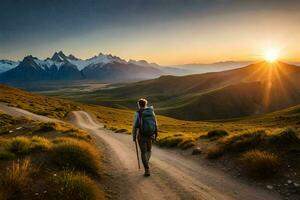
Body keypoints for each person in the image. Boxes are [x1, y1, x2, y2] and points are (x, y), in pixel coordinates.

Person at [132, 98, 158, 177]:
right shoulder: (151, 112)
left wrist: (134, 136)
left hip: (141, 136)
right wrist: (156, 134)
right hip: (150, 135)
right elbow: (155, 124)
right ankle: (146, 161)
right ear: (146, 104)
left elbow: (135, 126)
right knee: (149, 151)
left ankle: (147, 169)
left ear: (139, 105)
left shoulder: (138, 113)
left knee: (143, 153)